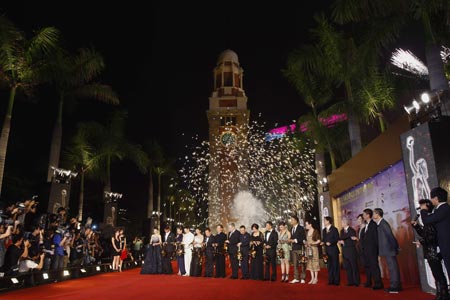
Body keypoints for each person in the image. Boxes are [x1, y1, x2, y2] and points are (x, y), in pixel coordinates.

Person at [413, 199, 449, 300]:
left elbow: (432, 237)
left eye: (422, 206)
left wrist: (422, 242)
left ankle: (444, 295)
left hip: (433, 251)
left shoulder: (431, 219)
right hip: (430, 251)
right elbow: (425, 234)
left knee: (439, 275)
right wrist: (416, 227)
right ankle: (440, 294)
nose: (420, 209)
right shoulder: (429, 220)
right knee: (436, 275)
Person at [421, 187, 450, 280]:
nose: (430, 200)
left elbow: (426, 220)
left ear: (436, 198)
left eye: (431, 198)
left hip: (447, 245)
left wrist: (423, 210)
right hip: (444, 245)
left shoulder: (444, 208)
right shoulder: (440, 209)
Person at [373, 208, 401, 293]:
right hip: (388, 250)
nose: (373, 215)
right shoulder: (380, 224)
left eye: (374, 213)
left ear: (377, 214)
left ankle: (395, 287)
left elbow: (390, 236)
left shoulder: (383, 223)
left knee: (393, 268)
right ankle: (395, 285)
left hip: (390, 249)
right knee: (391, 268)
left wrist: (395, 247)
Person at [361, 208, 383, 290]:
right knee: (367, 266)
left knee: (374, 267)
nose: (363, 216)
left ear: (368, 215)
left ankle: (378, 283)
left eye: (364, 214)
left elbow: (376, 239)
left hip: (372, 250)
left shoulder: (373, 225)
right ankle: (368, 281)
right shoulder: (366, 225)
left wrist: (378, 251)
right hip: (366, 250)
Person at [339, 218, 360, 287]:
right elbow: (341, 239)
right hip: (344, 252)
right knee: (347, 267)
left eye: (342, 222)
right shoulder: (342, 231)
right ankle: (350, 281)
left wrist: (345, 242)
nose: (341, 223)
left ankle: (356, 281)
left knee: (354, 267)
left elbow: (353, 242)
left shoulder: (352, 230)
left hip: (351, 251)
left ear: (346, 223)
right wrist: (341, 242)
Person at [321, 216, 340, 286]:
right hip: (327, 250)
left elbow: (337, 238)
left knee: (335, 265)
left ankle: (336, 280)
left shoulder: (334, 229)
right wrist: (322, 242)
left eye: (325, 220)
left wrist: (331, 242)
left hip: (333, 250)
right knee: (329, 266)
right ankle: (330, 279)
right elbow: (324, 239)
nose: (324, 222)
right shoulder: (324, 230)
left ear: (328, 221)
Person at [289, 215, 306, 284]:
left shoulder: (301, 228)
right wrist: (290, 240)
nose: (291, 221)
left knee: (302, 263)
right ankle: (296, 278)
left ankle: (302, 278)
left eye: (292, 220)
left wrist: (295, 240)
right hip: (294, 248)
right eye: (291, 220)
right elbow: (291, 237)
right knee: (295, 264)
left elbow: (303, 238)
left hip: (300, 248)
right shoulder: (291, 229)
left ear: (296, 220)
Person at [305, 220, 321, 284]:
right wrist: (306, 244)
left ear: (310, 224)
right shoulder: (307, 232)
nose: (306, 226)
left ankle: (316, 278)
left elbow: (319, 241)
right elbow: (306, 241)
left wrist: (312, 243)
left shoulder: (315, 231)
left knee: (315, 262)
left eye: (306, 224)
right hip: (308, 249)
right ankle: (312, 278)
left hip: (314, 249)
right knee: (310, 263)